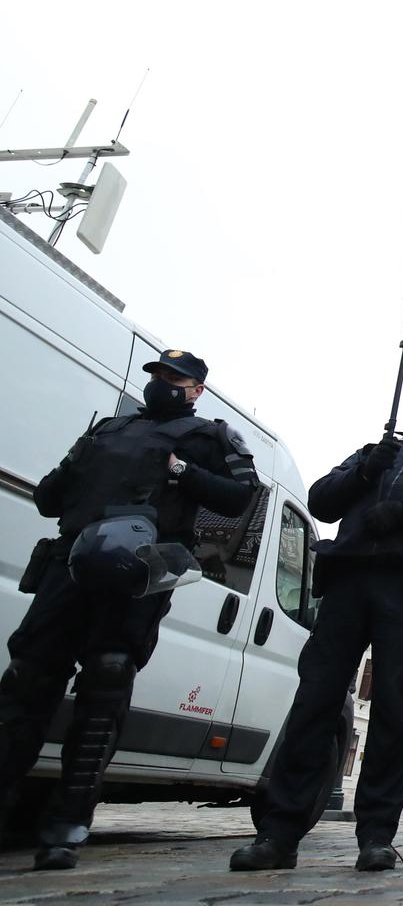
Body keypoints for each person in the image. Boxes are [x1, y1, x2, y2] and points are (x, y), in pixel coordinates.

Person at [0, 350, 258, 870]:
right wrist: (75, 466)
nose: (163, 384)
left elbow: (241, 497)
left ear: (196, 389)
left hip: (136, 573)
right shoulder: (107, 430)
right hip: (69, 565)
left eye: (175, 378)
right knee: (26, 682)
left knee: (105, 684)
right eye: (158, 375)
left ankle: (66, 826)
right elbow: (50, 498)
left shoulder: (210, 436)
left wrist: (183, 472)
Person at [230, 385, 403, 873]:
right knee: (315, 702)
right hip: (349, 579)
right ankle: (280, 830)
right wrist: (368, 469)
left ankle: (376, 835)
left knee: (393, 708)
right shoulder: (376, 452)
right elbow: (321, 501)